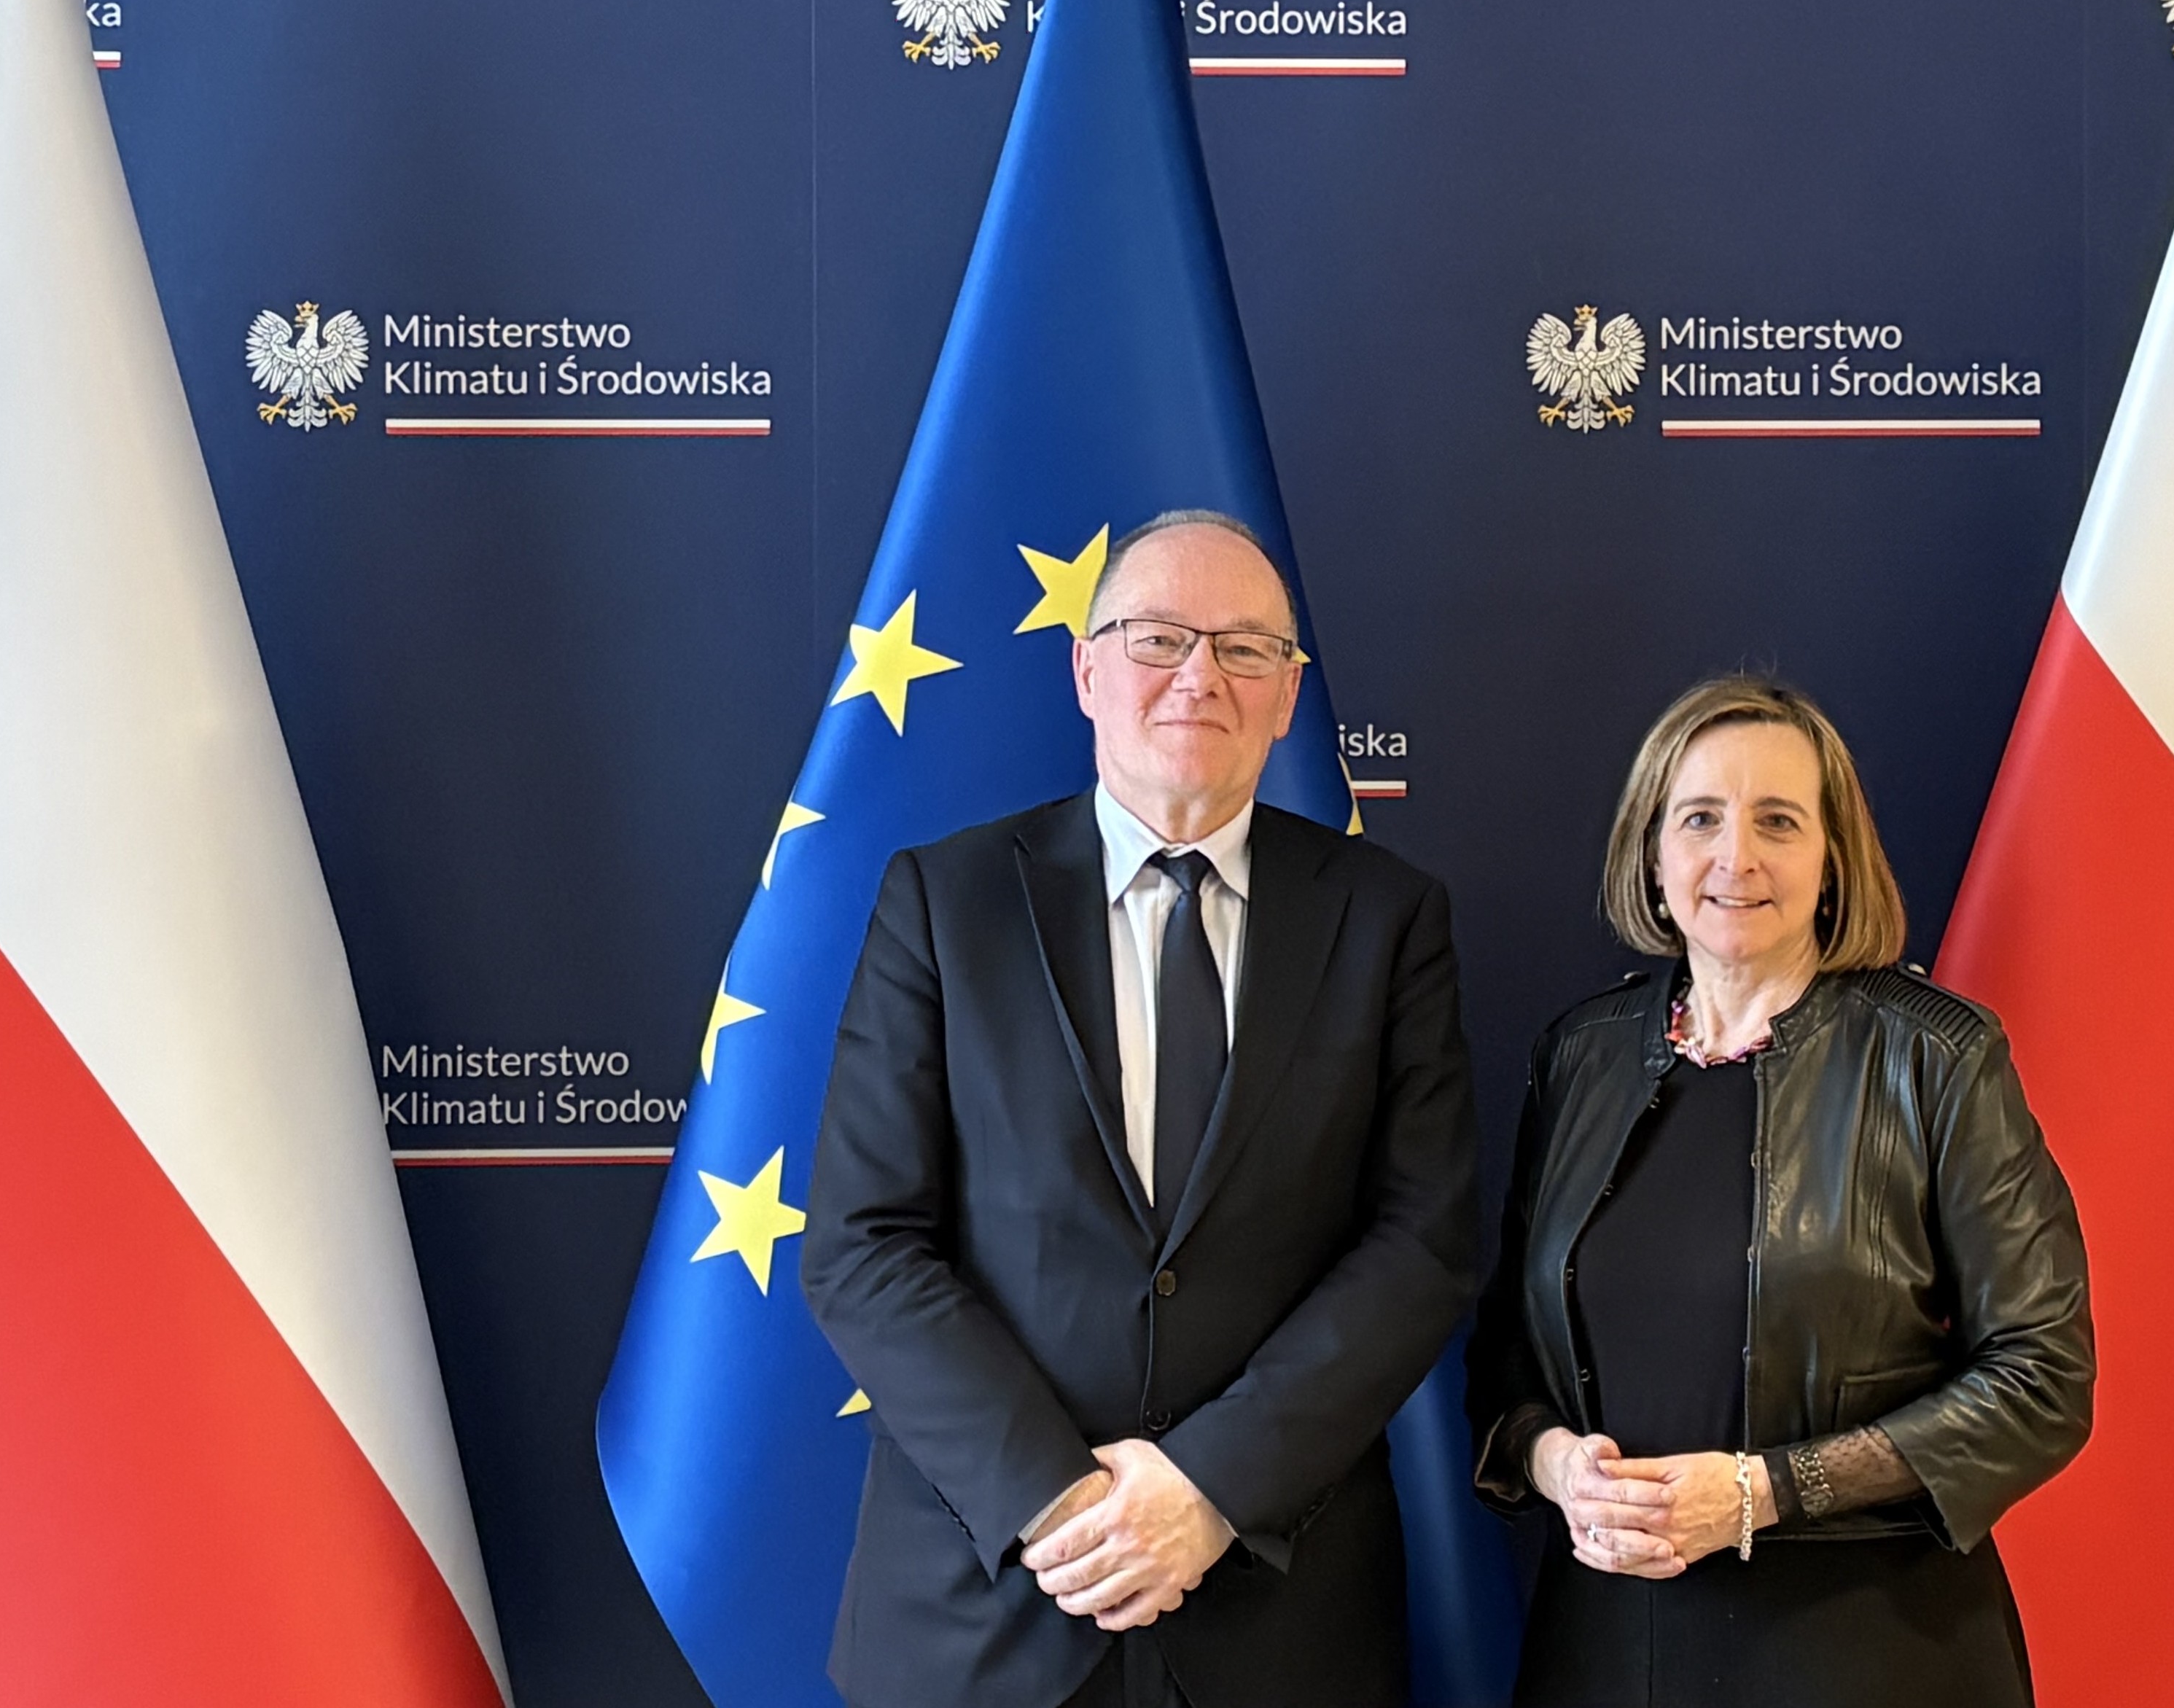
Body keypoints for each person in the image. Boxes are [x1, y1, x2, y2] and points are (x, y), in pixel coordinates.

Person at [800, 510, 1480, 1708]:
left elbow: (1421, 1242)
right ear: (1087, 669)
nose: (1199, 676)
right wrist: (1063, 1502)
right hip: (988, 1608)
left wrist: (1208, 1488)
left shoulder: (1388, 919)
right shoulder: (945, 902)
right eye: (1159, 637)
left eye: (1245, 648)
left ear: (1288, 695)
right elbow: (861, 1242)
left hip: (1277, 1621)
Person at [1468, 674, 2095, 1707]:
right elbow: (1505, 1357)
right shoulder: (1579, 1058)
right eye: (1700, 818)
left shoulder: (1937, 1057)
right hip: (1611, 1644)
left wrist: (1761, 1492)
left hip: (1868, 1649)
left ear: (1833, 859)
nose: (1737, 857)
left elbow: (2042, 1377)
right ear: (1652, 855)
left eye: (1778, 821)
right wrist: (1555, 1465)